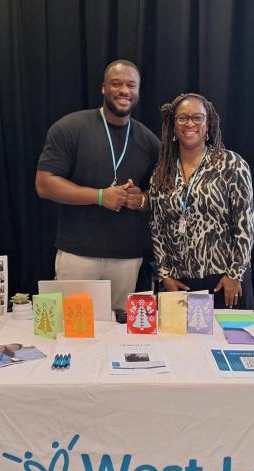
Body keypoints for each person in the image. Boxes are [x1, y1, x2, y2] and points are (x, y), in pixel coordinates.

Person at [35, 60, 161, 310]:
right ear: (103, 88)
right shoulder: (70, 127)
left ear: (138, 91)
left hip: (127, 257)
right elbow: (44, 184)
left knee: (118, 329)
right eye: (116, 84)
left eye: (131, 85)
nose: (124, 90)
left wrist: (142, 200)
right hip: (78, 254)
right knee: (70, 328)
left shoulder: (150, 141)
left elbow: (162, 197)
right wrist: (100, 196)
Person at [149, 93, 254, 309]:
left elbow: (245, 225)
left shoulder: (231, 164)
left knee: (225, 333)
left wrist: (235, 274)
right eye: (182, 118)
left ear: (208, 124)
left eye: (197, 118)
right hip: (179, 284)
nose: (190, 124)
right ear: (174, 126)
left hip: (223, 282)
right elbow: (157, 227)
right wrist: (164, 275)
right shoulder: (162, 171)